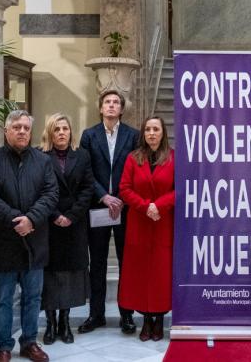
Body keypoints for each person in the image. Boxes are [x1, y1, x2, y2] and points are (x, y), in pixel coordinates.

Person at [0, 110, 59, 362]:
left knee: (33, 297)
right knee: (3, 298)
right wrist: (18, 220)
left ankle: (29, 342)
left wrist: (31, 219)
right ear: (6, 131)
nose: (22, 131)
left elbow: (50, 194)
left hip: (35, 240)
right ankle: (3, 347)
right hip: (5, 240)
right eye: (16, 127)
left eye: (26, 127)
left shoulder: (43, 161)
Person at [78, 89, 140, 334]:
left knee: (127, 263)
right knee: (99, 262)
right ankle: (96, 314)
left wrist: (122, 198)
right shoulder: (89, 135)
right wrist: (104, 195)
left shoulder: (133, 135)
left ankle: (127, 314)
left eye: (116, 102)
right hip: (99, 206)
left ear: (122, 109)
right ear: (101, 108)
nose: (112, 106)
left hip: (125, 208)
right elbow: (86, 170)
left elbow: (136, 169)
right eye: (107, 102)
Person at [118, 116, 175, 342]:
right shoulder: (134, 158)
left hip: (163, 222)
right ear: (143, 133)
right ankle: (146, 320)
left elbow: (179, 188)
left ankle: (159, 320)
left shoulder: (173, 158)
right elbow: (124, 188)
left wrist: (158, 205)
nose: (152, 133)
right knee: (140, 274)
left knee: (161, 274)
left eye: (156, 129)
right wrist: (145, 207)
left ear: (163, 133)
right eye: (148, 129)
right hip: (139, 223)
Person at [39, 113, 93, 345]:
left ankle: (65, 321)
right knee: (50, 275)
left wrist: (70, 216)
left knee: (70, 276)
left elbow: (88, 188)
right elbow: (37, 189)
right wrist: (55, 215)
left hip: (74, 224)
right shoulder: (39, 156)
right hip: (48, 225)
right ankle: (50, 323)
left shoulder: (82, 156)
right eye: (57, 129)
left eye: (65, 128)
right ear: (50, 133)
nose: (62, 132)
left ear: (71, 132)